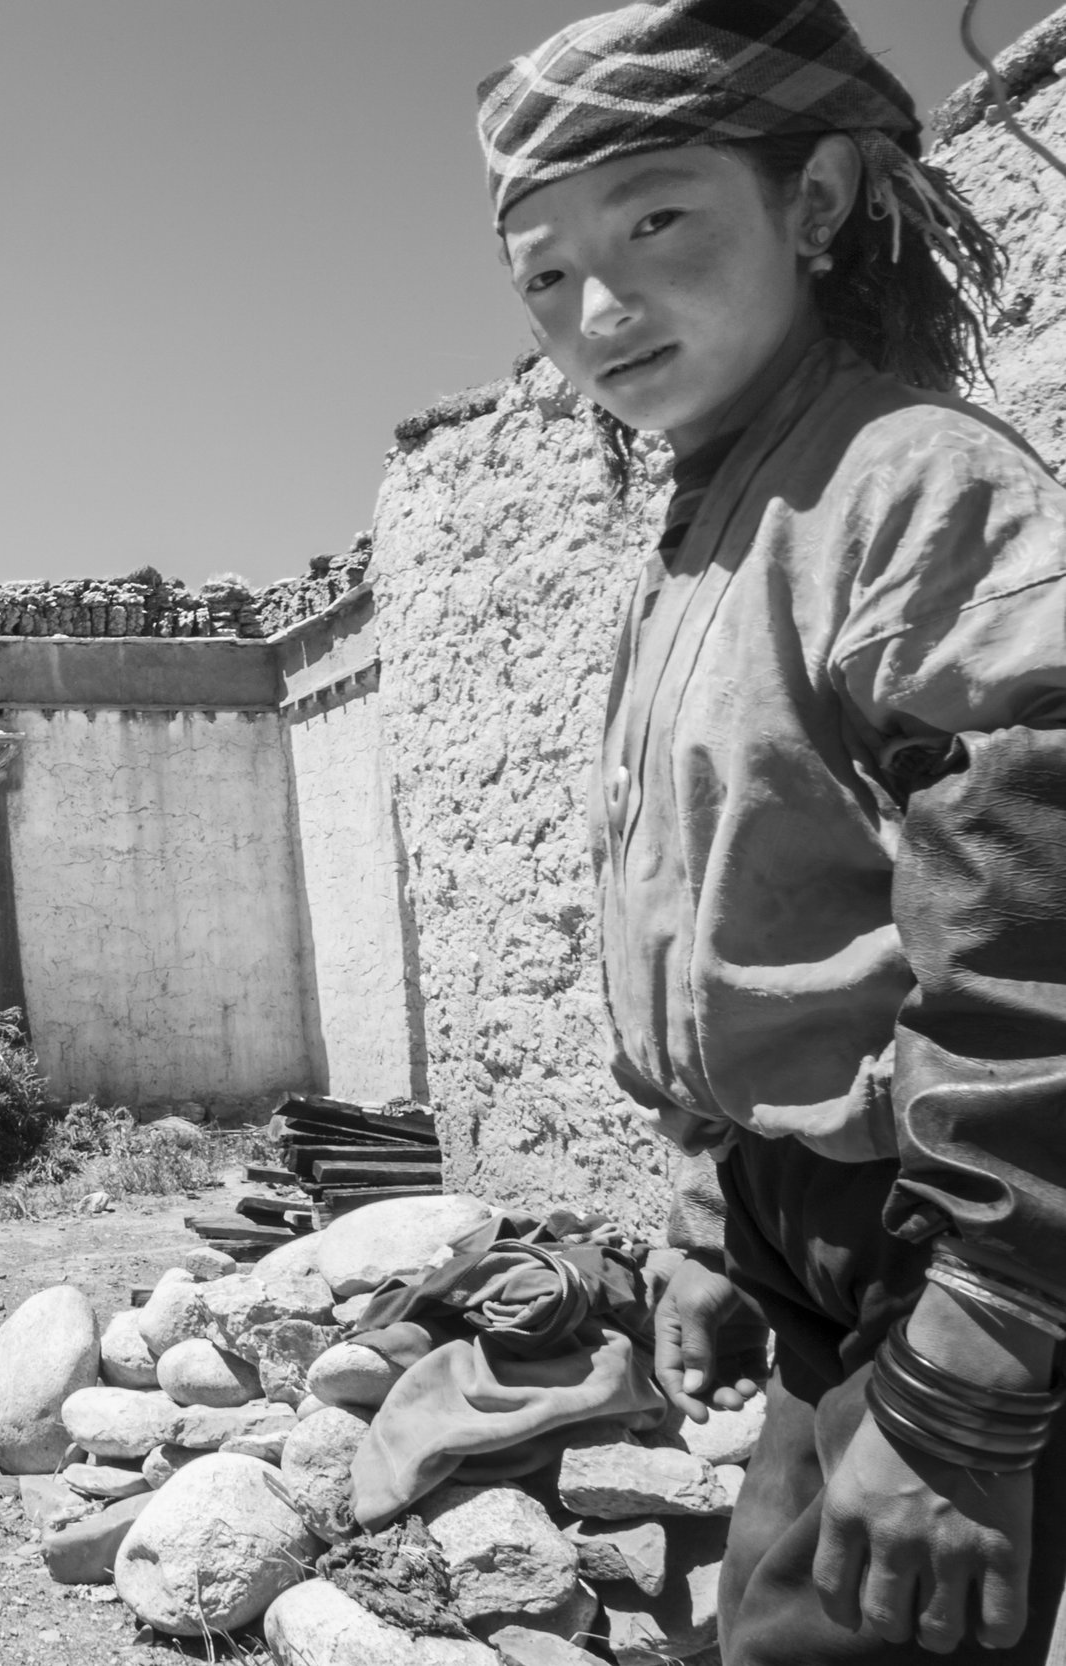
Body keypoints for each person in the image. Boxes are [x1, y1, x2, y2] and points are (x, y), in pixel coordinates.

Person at [478, 2, 1066, 1660]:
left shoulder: (914, 487)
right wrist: (711, 1219)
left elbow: (1039, 931)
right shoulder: (711, 524)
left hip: (955, 1245)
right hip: (813, 1231)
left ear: (811, 207)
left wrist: (970, 1371)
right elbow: (740, 914)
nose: (596, 306)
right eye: (542, 270)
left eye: (658, 218)